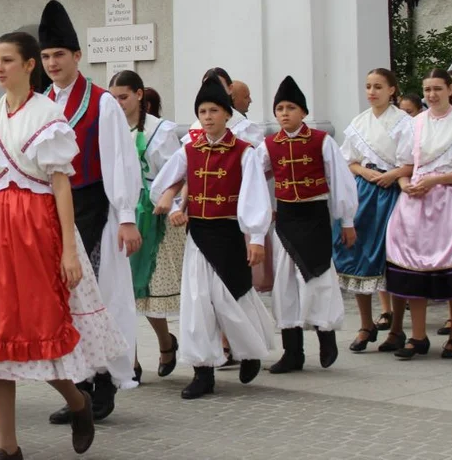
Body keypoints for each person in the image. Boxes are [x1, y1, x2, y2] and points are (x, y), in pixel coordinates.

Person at [0, 30, 126, 460]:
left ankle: (78, 402)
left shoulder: (49, 115)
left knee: (39, 330)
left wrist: (70, 249)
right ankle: (6, 447)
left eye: (8, 60)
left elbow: (61, 186)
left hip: (35, 230)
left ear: (30, 65)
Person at [37, 0, 140, 425]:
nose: (52, 63)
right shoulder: (38, 103)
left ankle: (103, 384)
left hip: (96, 209)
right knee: (63, 301)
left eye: (59, 54)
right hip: (51, 214)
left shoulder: (101, 103)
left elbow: (119, 160)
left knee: (101, 298)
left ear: (77, 56)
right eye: (45, 56)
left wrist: (128, 214)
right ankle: (76, 385)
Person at [150, 77, 274, 399]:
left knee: (233, 298)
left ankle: (248, 351)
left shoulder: (244, 153)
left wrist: (257, 237)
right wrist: (174, 205)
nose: (207, 117)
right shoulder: (188, 150)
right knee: (196, 303)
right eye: (202, 111)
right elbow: (163, 184)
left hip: (230, 234)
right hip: (199, 236)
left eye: (214, 110)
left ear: (227, 114)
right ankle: (202, 371)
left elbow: (255, 195)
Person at [260, 76, 359, 374]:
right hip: (287, 220)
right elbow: (254, 180)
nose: (285, 113)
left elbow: (340, 180)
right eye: (279, 108)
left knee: (318, 278)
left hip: (315, 217)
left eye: (291, 107)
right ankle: (293, 352)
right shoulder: (268, 146)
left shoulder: (321, 141)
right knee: (286, 282)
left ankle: (326, 338)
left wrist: (347, 220)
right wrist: (263, 212)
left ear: (303, 112)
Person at [385, 69, 452, 360]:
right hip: (418, 202)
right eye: (427, 90)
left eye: (437, 88)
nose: (432, 95)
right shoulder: (415, 124)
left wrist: (435, 180)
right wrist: (404, 185)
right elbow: (404, 165)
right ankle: (418, 336)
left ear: (451, 89)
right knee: (414, 268)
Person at [109, 71, 183, 380]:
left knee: (149, 290)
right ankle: (132, 362)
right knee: (123, 292)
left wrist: (173, 205)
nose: (118, 103)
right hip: (119, 213)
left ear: (140, 95)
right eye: (113, 98)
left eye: (123, 97)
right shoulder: (110, 129)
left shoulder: (161, 130)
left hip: (155, 215)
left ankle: (166, 343)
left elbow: (175, 173)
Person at [336, 69, 413, 352]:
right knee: (357, 253)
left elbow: (413, 162)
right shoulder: (359, 122)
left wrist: (393, 175)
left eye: (378, 86)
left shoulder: (405, 123)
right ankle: (366, 324)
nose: (372, 92)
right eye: (368, 86)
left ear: (392, 90)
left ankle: (396, 329)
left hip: (393, 191)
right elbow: (350, 160)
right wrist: (363, 173)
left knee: (392, 257)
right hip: (365, 191)